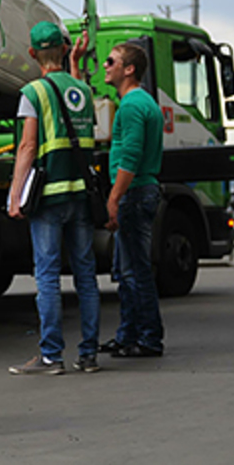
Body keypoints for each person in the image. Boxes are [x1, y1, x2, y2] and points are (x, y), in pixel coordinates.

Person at [6, 23, 101, 375]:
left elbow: (28, 146)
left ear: (32, 54)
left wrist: (16, 195)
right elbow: (73, 105)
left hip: (49, 198)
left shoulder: (33, 93)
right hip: (81, 194)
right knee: (86, 274)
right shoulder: (84, 91)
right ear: (63, 49)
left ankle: (51, 356)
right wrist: (75, 63)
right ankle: (89, 354)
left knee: (47, 276)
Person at [98, 42, 165, 358]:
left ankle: (149, 338)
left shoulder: (132, 105)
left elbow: (131, 155)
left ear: (130, 69)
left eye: (111, 60)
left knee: (135, 271)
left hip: (135, 194)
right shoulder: (141, 102)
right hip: (138, 192)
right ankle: (127, 336)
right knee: (126, 271)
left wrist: (114, 197)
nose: (105, 65)